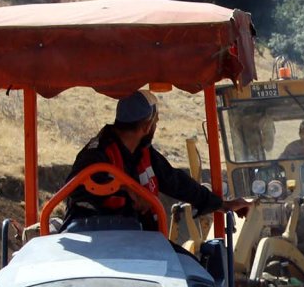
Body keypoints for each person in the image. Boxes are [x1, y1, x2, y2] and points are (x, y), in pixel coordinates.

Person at [63, 90, 249, 232]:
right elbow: (77, 191)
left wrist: (222, 205)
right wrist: (128, 192)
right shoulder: (96, 154)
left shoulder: (144, 152)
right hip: (95, 232)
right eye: (156, 123)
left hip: (136, 234)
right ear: (146, 126)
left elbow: (176, 182)